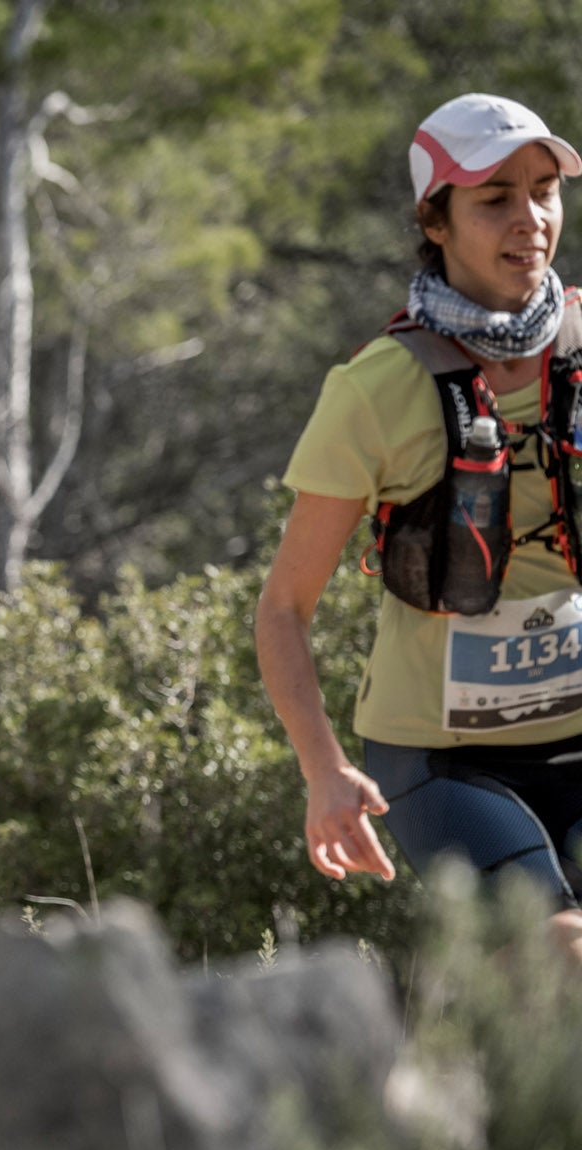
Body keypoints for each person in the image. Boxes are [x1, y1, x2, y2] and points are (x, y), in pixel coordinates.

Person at [258, 92, 582, 962]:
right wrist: (324, 772)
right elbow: (283, 609)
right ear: (434, 221)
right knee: (562, 951)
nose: (532, 219)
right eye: (495, 199)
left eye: (545, 190)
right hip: (442, 759)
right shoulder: (373, 389)